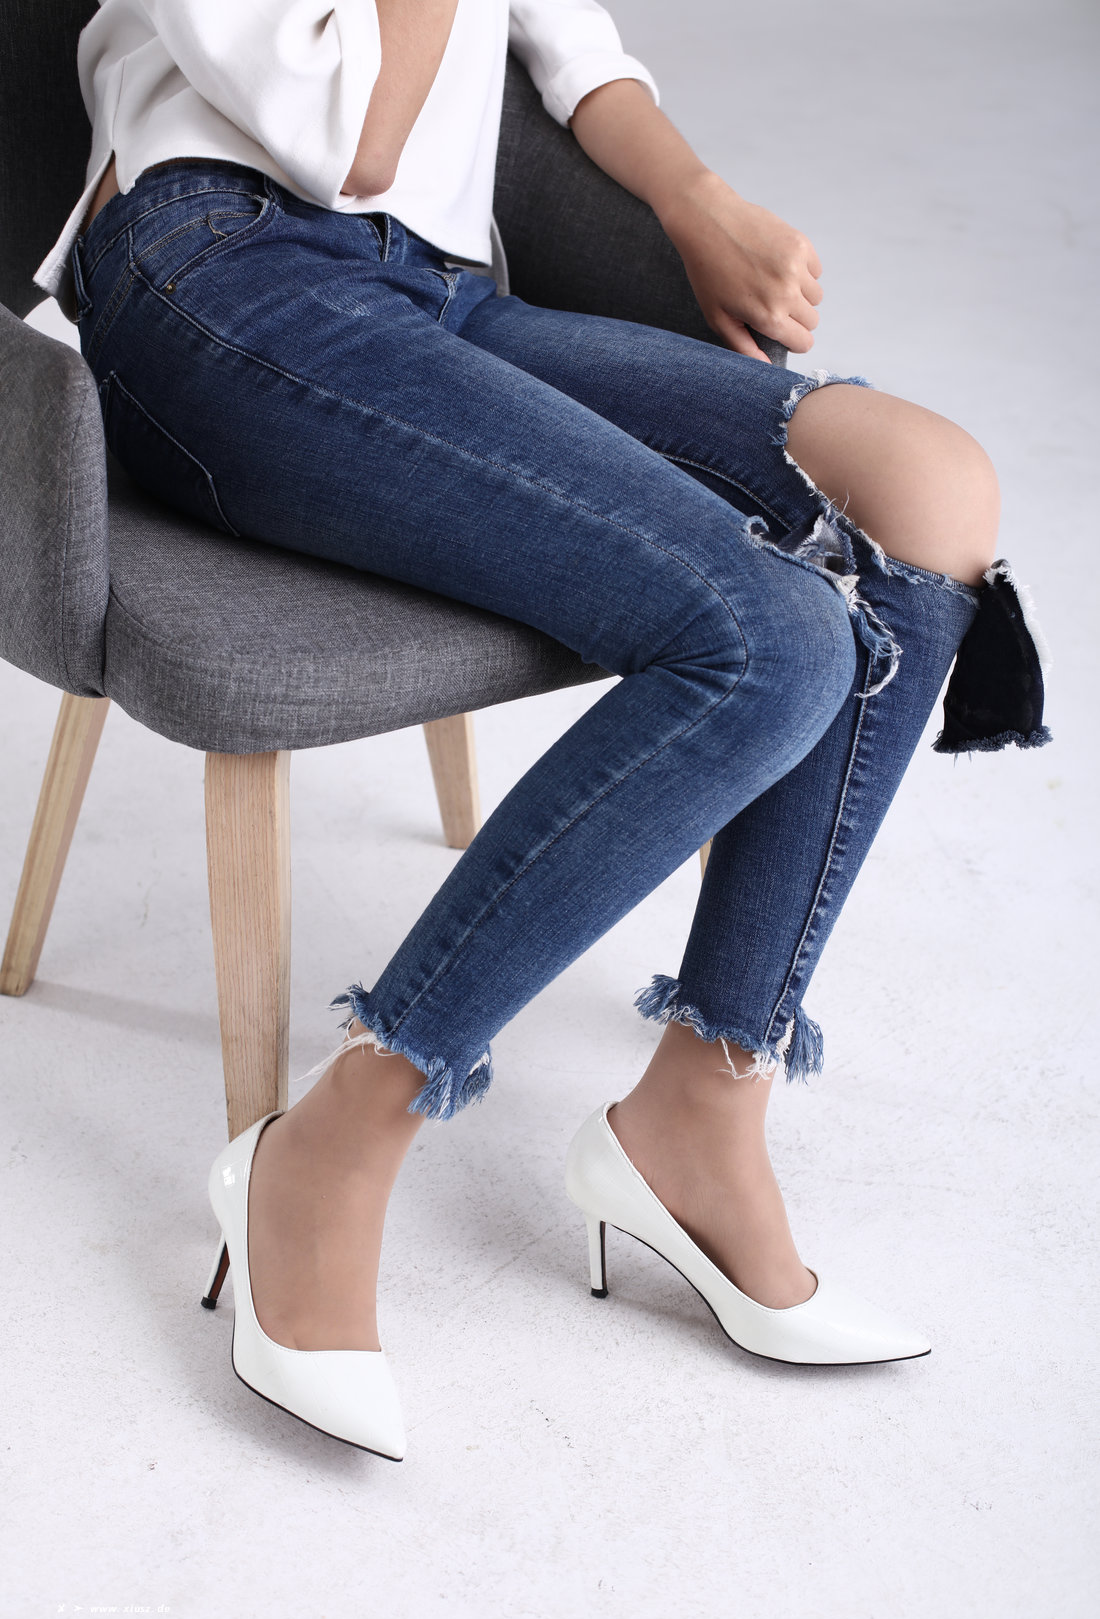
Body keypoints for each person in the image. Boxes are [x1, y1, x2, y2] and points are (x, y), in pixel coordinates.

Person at [37, 0, 1049, 1460]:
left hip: (441, 293)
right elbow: (347, 141)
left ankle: (704, 1104)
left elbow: (566, 45)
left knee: (930, 489)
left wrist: (698, 201)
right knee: (770, 641)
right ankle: (329, 1143)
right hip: (215, 275)